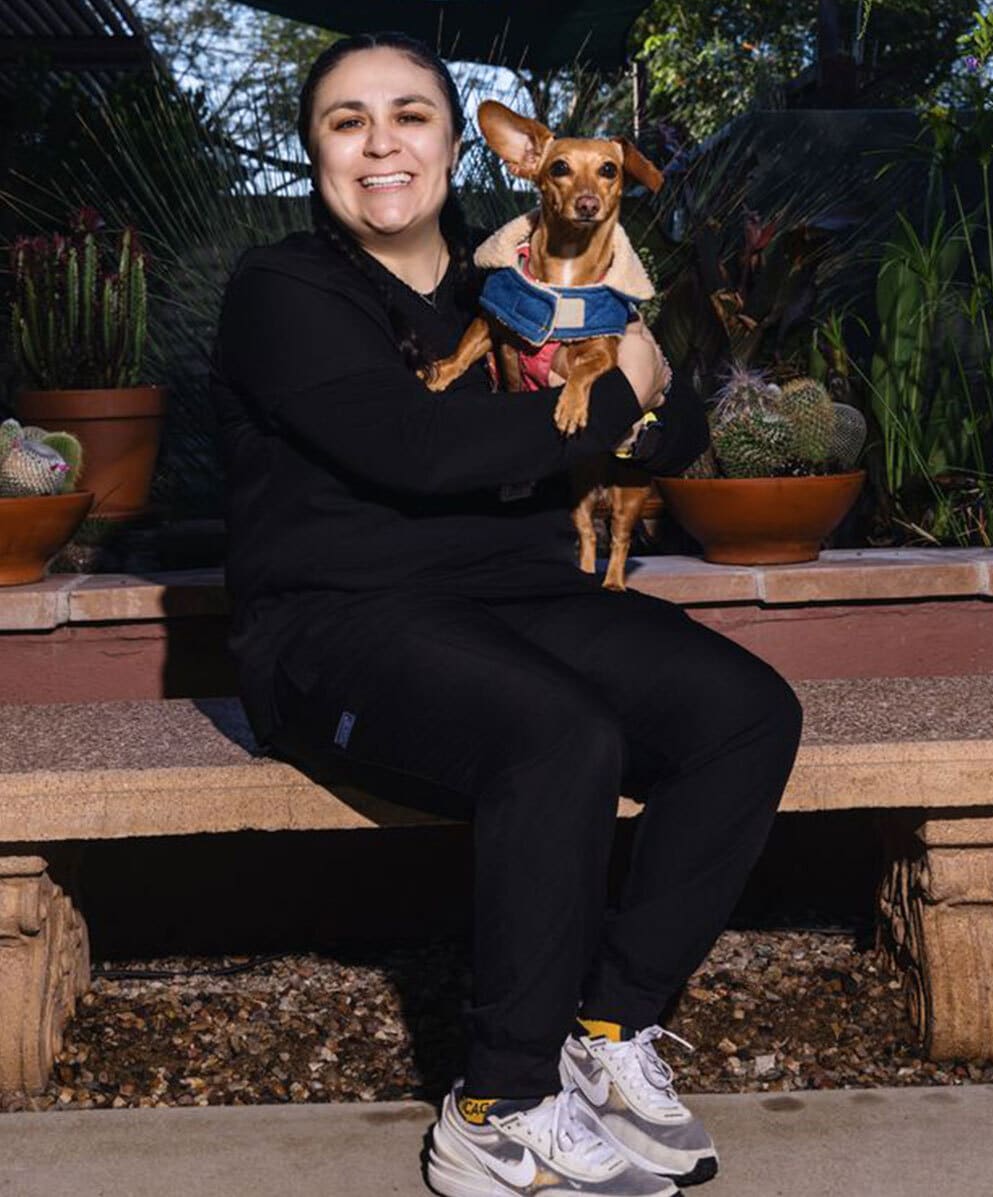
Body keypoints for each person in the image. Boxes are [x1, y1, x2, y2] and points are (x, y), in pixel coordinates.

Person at [210, 31, 803, 1197]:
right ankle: (498, 1109)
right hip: (336, 624)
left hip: (518, 595)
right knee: (557, 734)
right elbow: (418, 449)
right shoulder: (284, 289)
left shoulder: (516, 277)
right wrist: (619, 392)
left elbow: (674, 426)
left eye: (409, 115)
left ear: (456, 144)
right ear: (314, 153)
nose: (380, 142)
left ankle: (609, 1032)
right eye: (346, 120)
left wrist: (638, 386)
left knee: (744, 713)